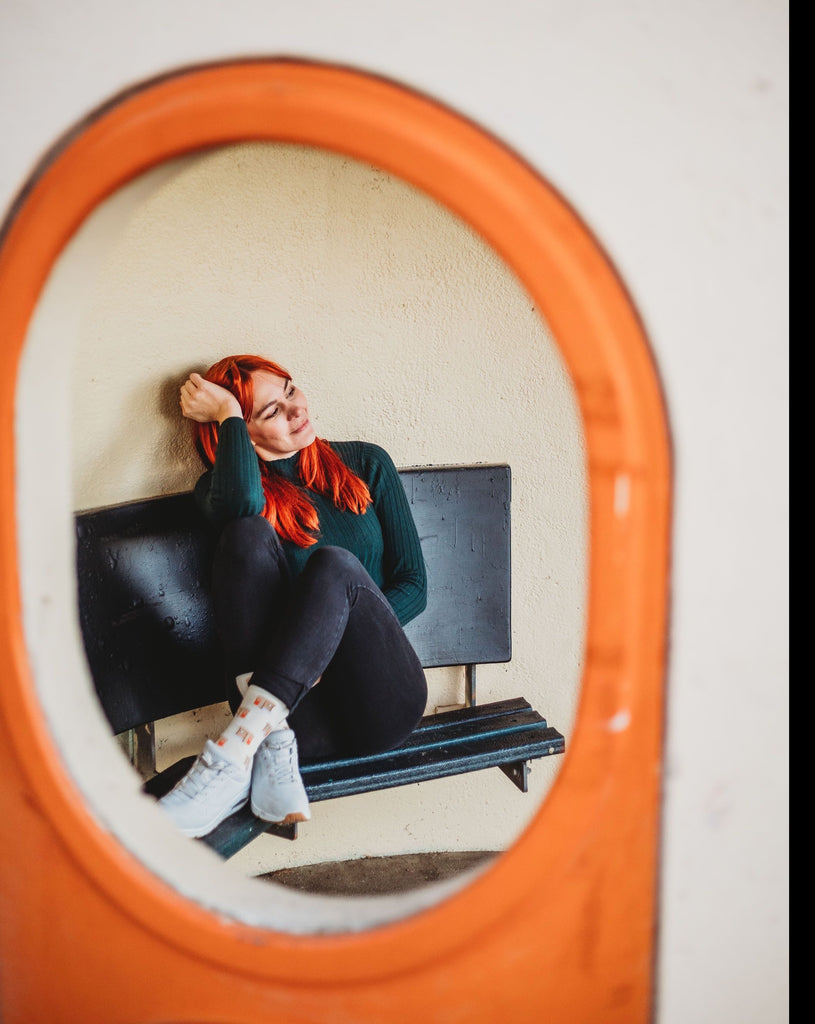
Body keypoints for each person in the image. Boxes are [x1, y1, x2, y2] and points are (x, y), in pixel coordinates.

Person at [158, 354, 428, 838]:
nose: (295, 409)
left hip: (381, 701)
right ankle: (266, 751)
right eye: (270, 412)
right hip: (300, 723)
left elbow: (414, 585)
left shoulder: (366, 463)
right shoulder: (219, 490)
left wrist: (328, 641)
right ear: (242, 434)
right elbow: (242, 507)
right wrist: (229, 416)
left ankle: (229, 759)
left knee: (335, 565)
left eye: (290, 390)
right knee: (243, 535)